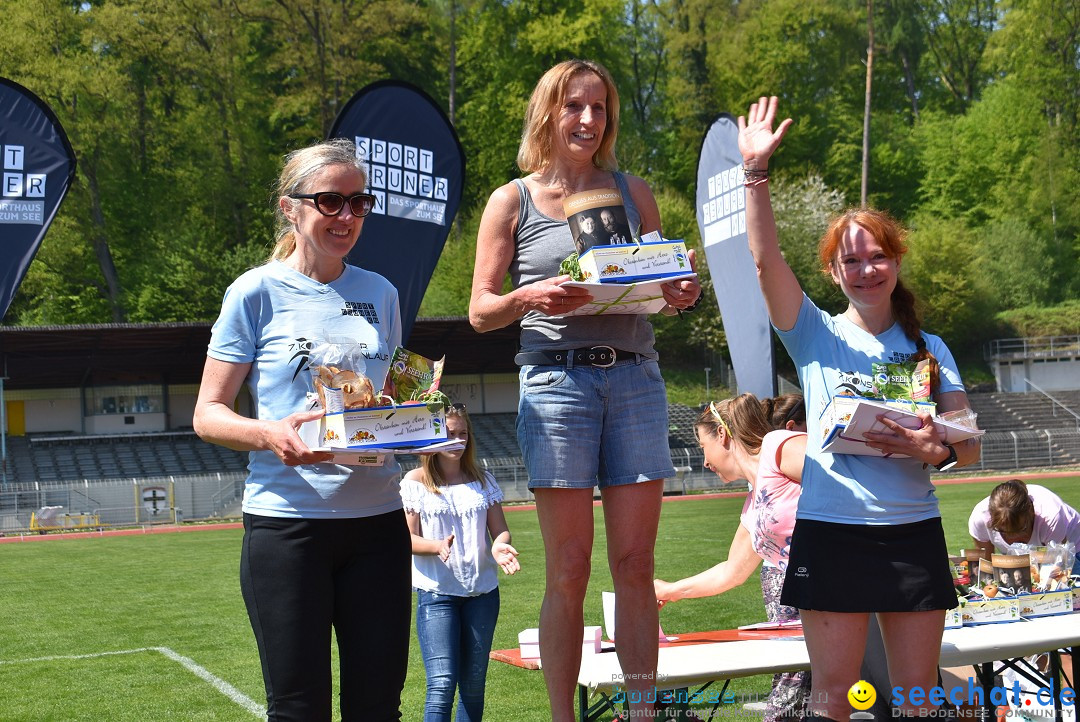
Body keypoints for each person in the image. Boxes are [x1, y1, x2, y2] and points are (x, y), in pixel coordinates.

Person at [468, 59, 702, 721]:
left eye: (599, 108)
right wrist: (530, 295)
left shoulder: (634, 192)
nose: (589, 120)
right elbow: (481, 311)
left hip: (635, 379)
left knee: (634, 563)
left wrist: (681, 290)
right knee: (568, 568)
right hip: (554, 385)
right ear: (549, 111)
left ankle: (641, 712)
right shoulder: (509, 201)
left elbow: (663, 276)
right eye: (575, 105)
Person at [738, 96, 981, 719]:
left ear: (896, 262)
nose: (866, 268)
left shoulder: (931, 347)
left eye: (877, 256)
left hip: (912, 533)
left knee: (917, 699)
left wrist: (933, 446)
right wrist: (756, 176)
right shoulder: (814, 333)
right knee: (832, 700)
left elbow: (967, 441)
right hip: (831, 534)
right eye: (851, 259)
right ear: (832, 269)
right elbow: (764, 260)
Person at [193, 138, 410, 721]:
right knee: (298, 709)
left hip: (380, 526)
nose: (347, 217)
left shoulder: (380, 292)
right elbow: (208, 413)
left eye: (359, 203)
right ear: (292, 208)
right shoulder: (254, 291)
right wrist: (270, 435)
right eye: (330, 202)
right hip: (288, 529)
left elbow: (382, 400)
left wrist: (413, 422)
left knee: (377, 708)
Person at [654, 394, 810, 722]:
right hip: (802, 625)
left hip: (836, 603)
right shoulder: (754, 503)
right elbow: (731, 572)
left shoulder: (777, 446)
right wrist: (667, 590)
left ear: (723, 435)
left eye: (702, 446)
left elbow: (839, 476)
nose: (704, 460)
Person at [400, 403, 521, 721]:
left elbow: (501, 531)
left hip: (483, 593)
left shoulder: (482, 480)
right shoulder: (415, 482)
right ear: (432, 437)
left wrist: (500, 548)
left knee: (473, 686)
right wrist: (435, 545)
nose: (456, 440)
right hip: (437, 594)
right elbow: (406, 539)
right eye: (448, 433)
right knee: (440, 685)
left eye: (462, 434)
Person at [968, 478, 1080, 556]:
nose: (1012, 539)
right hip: (1026, 557)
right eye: (1003, 531)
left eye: (1021, 529)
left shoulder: (1051, 516)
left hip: (1074, 550)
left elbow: (1059, 566)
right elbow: (985, 565)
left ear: (1031, 512)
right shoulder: (980, 519)